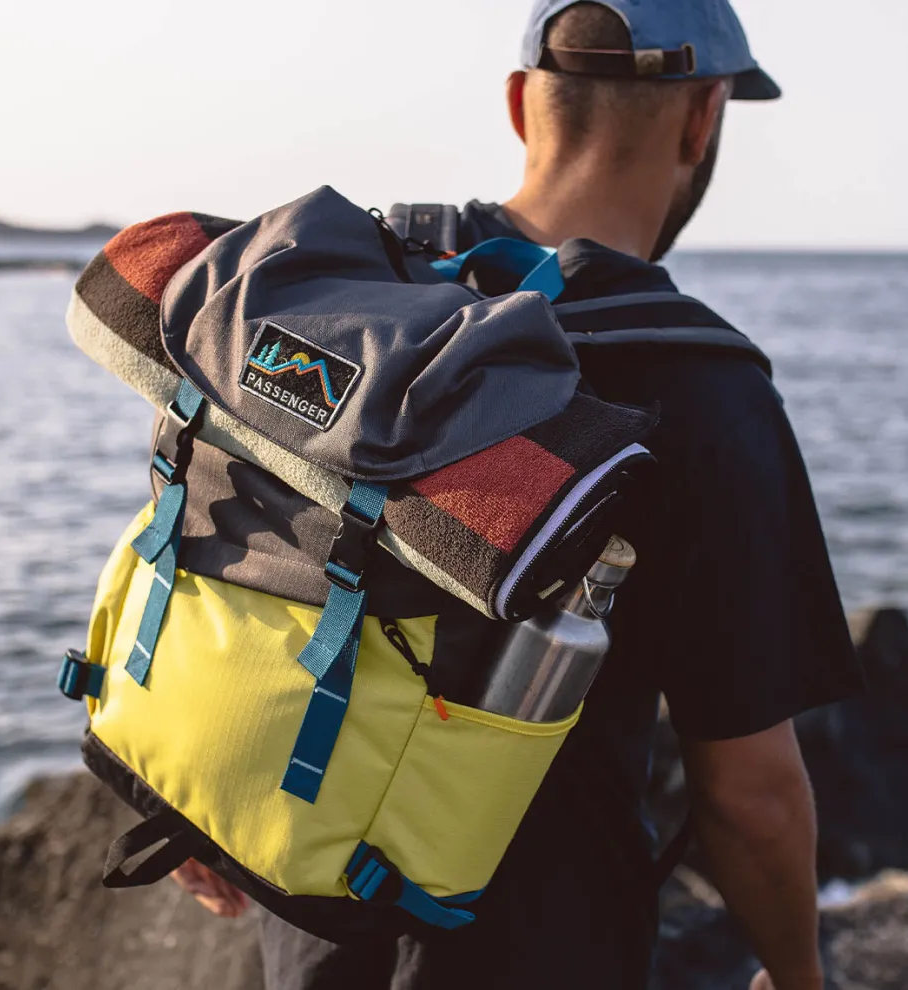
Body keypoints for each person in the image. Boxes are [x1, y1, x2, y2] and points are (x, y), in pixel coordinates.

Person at [176, 2, 864, 987]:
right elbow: (750, 795)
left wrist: (180, 786)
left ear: (518, 104)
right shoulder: (698, 384)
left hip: (308, 927)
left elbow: (220, 535)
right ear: (704, 117)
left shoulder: (362, 298)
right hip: (542, 951)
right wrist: (798, 978)